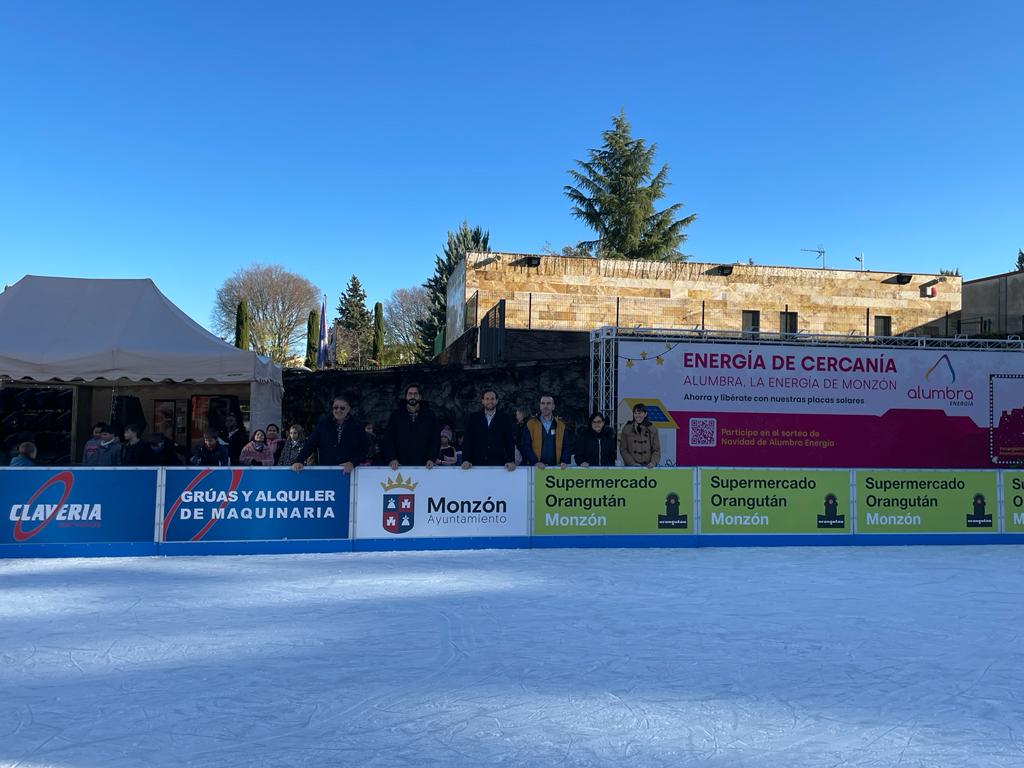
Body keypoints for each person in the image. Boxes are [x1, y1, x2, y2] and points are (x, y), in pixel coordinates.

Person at [291, 395, 367, 474]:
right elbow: (310, 444)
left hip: (349, 473)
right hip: (327, 471)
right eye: (335, 407)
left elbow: (363, 449)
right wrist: (299, 460)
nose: (338, 410)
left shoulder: (357, 426)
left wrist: (353, 463)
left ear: (348, 409)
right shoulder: (323, 425)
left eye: (342, 408)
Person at [380, 383, 439, 470]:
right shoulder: (396, 415)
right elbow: (389, 438)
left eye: (415, 394)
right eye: (410, 394)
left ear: (420, 397)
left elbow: (435, 438)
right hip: (400, 465)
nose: (412, 396)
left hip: (424, 465)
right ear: (406, 397)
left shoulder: (429, 415)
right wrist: (392, 458)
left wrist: (432, 458)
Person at [461, 388, 516, 471]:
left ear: (497, 401)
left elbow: (509, 441)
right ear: (482, 401)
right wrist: (465, 460)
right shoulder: (473, 418)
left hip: (500, 465)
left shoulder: (505, 418)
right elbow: (468, 440)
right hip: (476, 464)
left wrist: (511, 460)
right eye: (487, 399)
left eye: (492, 399)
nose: (490, 401)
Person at [520, 394, 571, 469]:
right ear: (540, 406)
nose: (545, 406)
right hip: (535, 468)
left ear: (553, 406)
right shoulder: (531, 424)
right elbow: (525, 446)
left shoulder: (561, 425)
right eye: (543, 403)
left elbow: (566, 446)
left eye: (548, 403)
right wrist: (535, 461)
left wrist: (564, 461)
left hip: (556, 468)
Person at [620, 403, 660, 468]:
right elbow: (623, 449)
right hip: (631, 468)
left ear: (645, 414)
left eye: (640, 413)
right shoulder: (626, 428)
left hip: (648, 468)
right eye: (635, 413)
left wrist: (653, 463)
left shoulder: (652, 429)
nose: (637, 415)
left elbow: (656, 450)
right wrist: (632, 463)